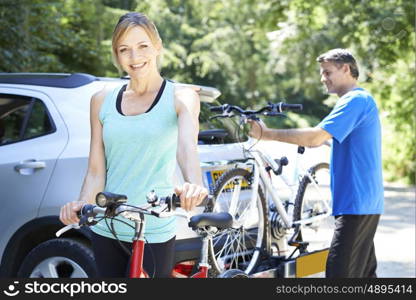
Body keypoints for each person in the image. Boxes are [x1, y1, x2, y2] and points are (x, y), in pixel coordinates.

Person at [59, 12, 208, 278]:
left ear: (158, 46)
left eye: (143, 47)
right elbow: (96, 170)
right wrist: (80, 204)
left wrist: (193, 185)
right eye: (124, 49)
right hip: (108, 226)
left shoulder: (181, 97)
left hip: (153, 228)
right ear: (116, 54)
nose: (135, 57)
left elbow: (187, 149)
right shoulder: (101, 100)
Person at [248, 48, 384, 278]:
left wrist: (266, 133)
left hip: (357, 204)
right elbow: (331, 139)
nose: (323, 78)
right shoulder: (358, 101)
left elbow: (314, 137)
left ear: (345, 68)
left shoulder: (355, 100)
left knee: (338, 276)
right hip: (361, 203)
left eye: (327, 72)